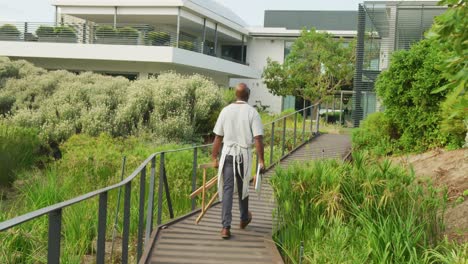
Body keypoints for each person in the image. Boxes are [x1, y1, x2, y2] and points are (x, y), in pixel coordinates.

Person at [212, 83, 265, 239]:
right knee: (243, 188)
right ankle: (243, 218)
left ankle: (225, 227)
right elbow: (258, 138)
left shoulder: (225, 111)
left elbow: (218, 137)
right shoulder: (252, 112)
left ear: (236, 94)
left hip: (227, 154)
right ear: (247, 95)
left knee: (228, 189)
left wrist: (214, 157)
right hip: (243, 155)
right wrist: (261, 160)